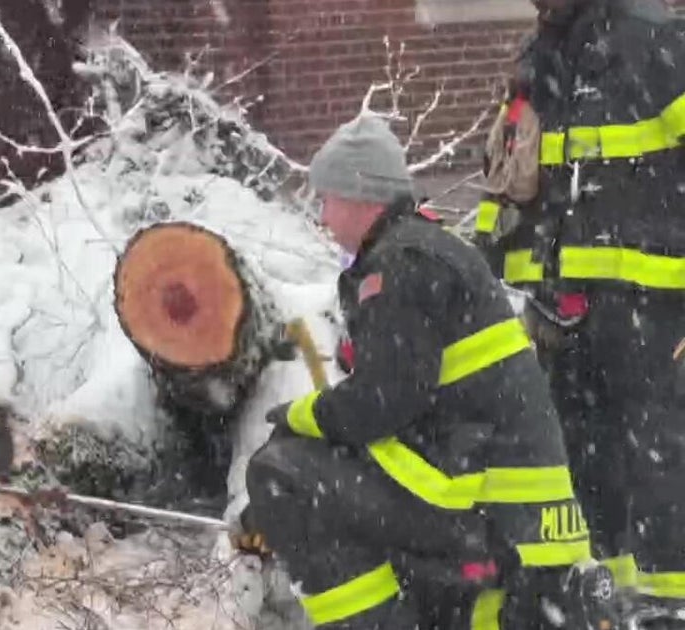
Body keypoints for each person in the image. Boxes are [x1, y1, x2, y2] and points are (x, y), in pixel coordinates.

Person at [236, 113, 616, 629]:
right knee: (321, 468)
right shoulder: (427, 251)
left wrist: (297, 418)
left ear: (359, 195)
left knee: (280, 472)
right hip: (512, 506)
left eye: (326, 198)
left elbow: (383, 404)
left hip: (486, 502)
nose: (321, 216)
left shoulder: (401, 266)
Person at [472, 0, 685, 619]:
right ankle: (607, 601)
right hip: (561, 310)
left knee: (659, 458)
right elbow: (508, 179)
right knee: (583, 462)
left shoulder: (658, 45)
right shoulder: (538, 61)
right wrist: (482, 270)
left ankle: (672, 607)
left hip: (657, 308)